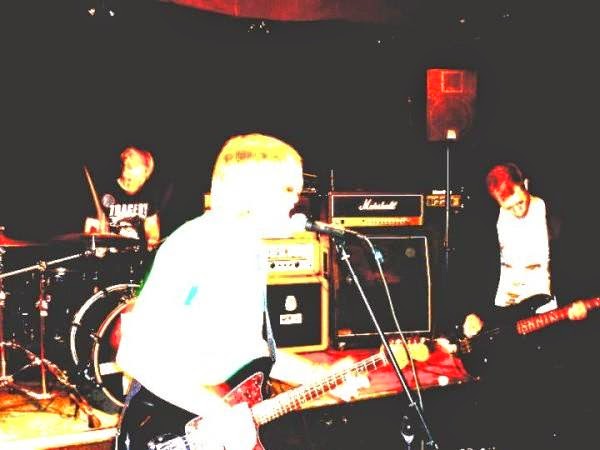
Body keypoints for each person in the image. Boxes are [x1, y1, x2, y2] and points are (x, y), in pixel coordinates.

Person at [114, 133, 368, 450]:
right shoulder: (195, 244)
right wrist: (220, 413)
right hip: (170, 434)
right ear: (251, 189)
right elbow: (135, 354)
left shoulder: (250, 250)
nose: (296, 199)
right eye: (288, 189)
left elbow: (248, 353)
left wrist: (321, 376)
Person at [462, 162, 586, 339]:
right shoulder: (489, 222)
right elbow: (478, 268)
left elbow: (574, 260)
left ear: (525, 184)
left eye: (519, 202)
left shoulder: (552, 212)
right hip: (503, 310)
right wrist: (473, 312)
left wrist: (577, 298)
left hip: (545, 311)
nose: (517, 211)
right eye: (509, 207)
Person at [84, 146, 160, 250]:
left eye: (144, 173)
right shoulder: (106, 191)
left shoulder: (148, 194)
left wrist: (152, 240)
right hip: (110, 255)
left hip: (138, 255)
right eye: (130, 167)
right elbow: (91, 226)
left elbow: (151, 226)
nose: (142, 178)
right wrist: (96, 245)